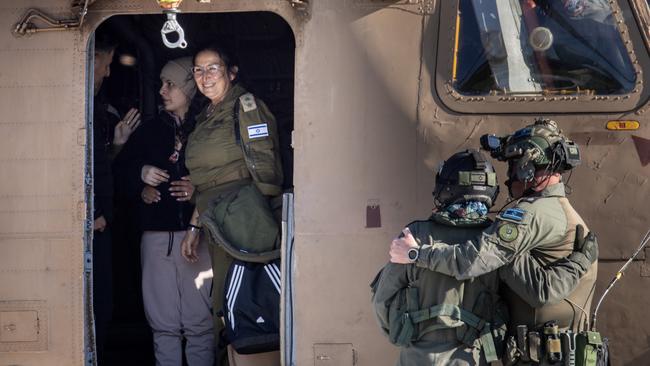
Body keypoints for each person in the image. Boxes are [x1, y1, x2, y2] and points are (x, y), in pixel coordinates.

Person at [390, 119, 598, 365]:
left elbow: (473, 261)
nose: (509, 178)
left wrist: (416, 254)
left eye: (512, 167)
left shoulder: (530, 214)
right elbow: (542, 286)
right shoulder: (564, 212)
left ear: (526, 168)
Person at [179, 44, 283, 362]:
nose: (205, 76)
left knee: (244, 304)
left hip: (242, 220)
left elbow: (266, 166)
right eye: (198, 69)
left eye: (213, 68)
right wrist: (195, 224)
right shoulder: (207, 114)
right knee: (225, 303)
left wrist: (258, 227)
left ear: (231, 72)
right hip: (217, 218)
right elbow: (206, 179)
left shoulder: (245, 105)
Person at [121, 57, 214, 366]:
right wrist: (140, 176)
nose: (163, 90)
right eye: (161, 83)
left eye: (170, 84)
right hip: (157, 239)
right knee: (163, 326)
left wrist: (196, 190)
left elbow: (229, 175)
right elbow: (116, 175)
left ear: (189, 86)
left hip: (198, 237)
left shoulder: (208, 127)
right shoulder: (148, 131)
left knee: (201, 323)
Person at [92, 29, 141, 361]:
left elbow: (96, 167)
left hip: (100, 223)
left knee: (102, 307)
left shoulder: (96, 108)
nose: (108, 73)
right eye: (105, 64)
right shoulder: (83, 109)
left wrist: (118, 145)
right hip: (92, 225)